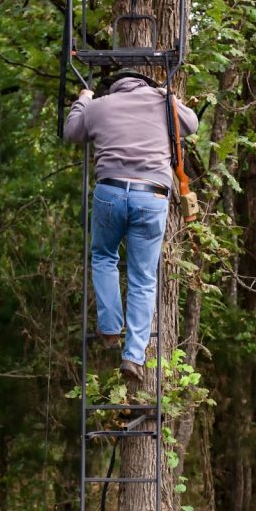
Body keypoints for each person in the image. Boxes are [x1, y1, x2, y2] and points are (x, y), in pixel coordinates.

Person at [63, 70, 198, 379]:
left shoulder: (101, 105)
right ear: (146, 85)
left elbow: (72, 132)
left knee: (103, 257)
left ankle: (110, 328)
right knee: (142, 277)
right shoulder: (162, 103)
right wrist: (169, 96)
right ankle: (133, 357)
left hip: (110, 191)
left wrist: (83, 101)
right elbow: (191, 125)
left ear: (115, 87)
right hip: (151, 196)